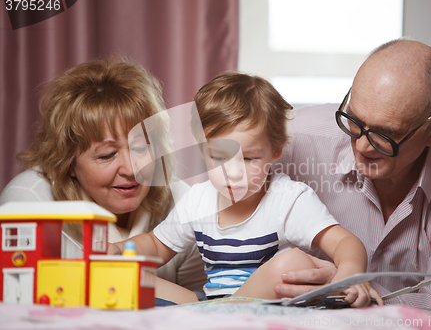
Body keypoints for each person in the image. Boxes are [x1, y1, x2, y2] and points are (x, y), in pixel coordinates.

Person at [109, 71, 383, 307]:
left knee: (291, 263)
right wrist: (120, 251)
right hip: (211, 305)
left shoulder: (288, 199)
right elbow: (156, 245)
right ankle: (223, 314)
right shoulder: (198, 200)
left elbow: (346, 242)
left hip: (267, 305)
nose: (234, 171)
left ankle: (230, 311)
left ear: (275, 150)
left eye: (249, 158)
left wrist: (349, 273)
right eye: (219, 157)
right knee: (129, 276)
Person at [273, 38, 431, 310]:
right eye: (354, 120)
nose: (361, 145)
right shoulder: (295, 139)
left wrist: (352, 290)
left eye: (385, 134)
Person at [0, 56, 206, 298]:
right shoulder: (28, 202)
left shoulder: (183, 203)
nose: (132, 169)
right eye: (108, 155)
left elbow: (202, 308)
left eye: (141, 148)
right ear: (69, 162)